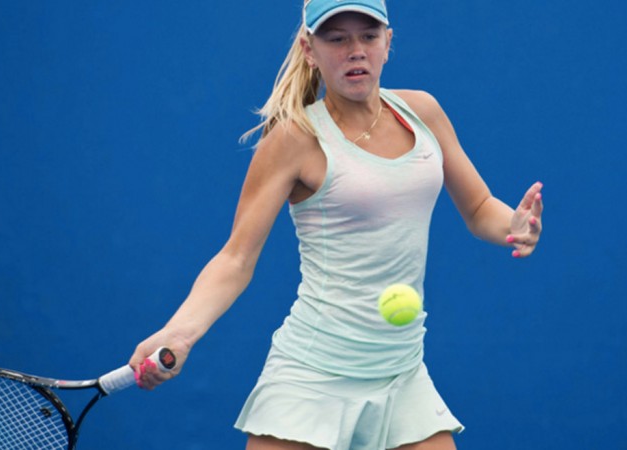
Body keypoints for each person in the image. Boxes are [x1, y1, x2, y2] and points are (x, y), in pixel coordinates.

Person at [129, 0, 544, 449]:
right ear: (309, 50)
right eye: (337, 38)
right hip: (311, 377)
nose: (355, 50)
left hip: (401, 373)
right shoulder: (294, 138)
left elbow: (479, 207)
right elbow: (236, 258)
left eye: (368, 35)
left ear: (388, 42)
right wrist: (180, 332)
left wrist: (514, 224)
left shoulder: (423, 111)